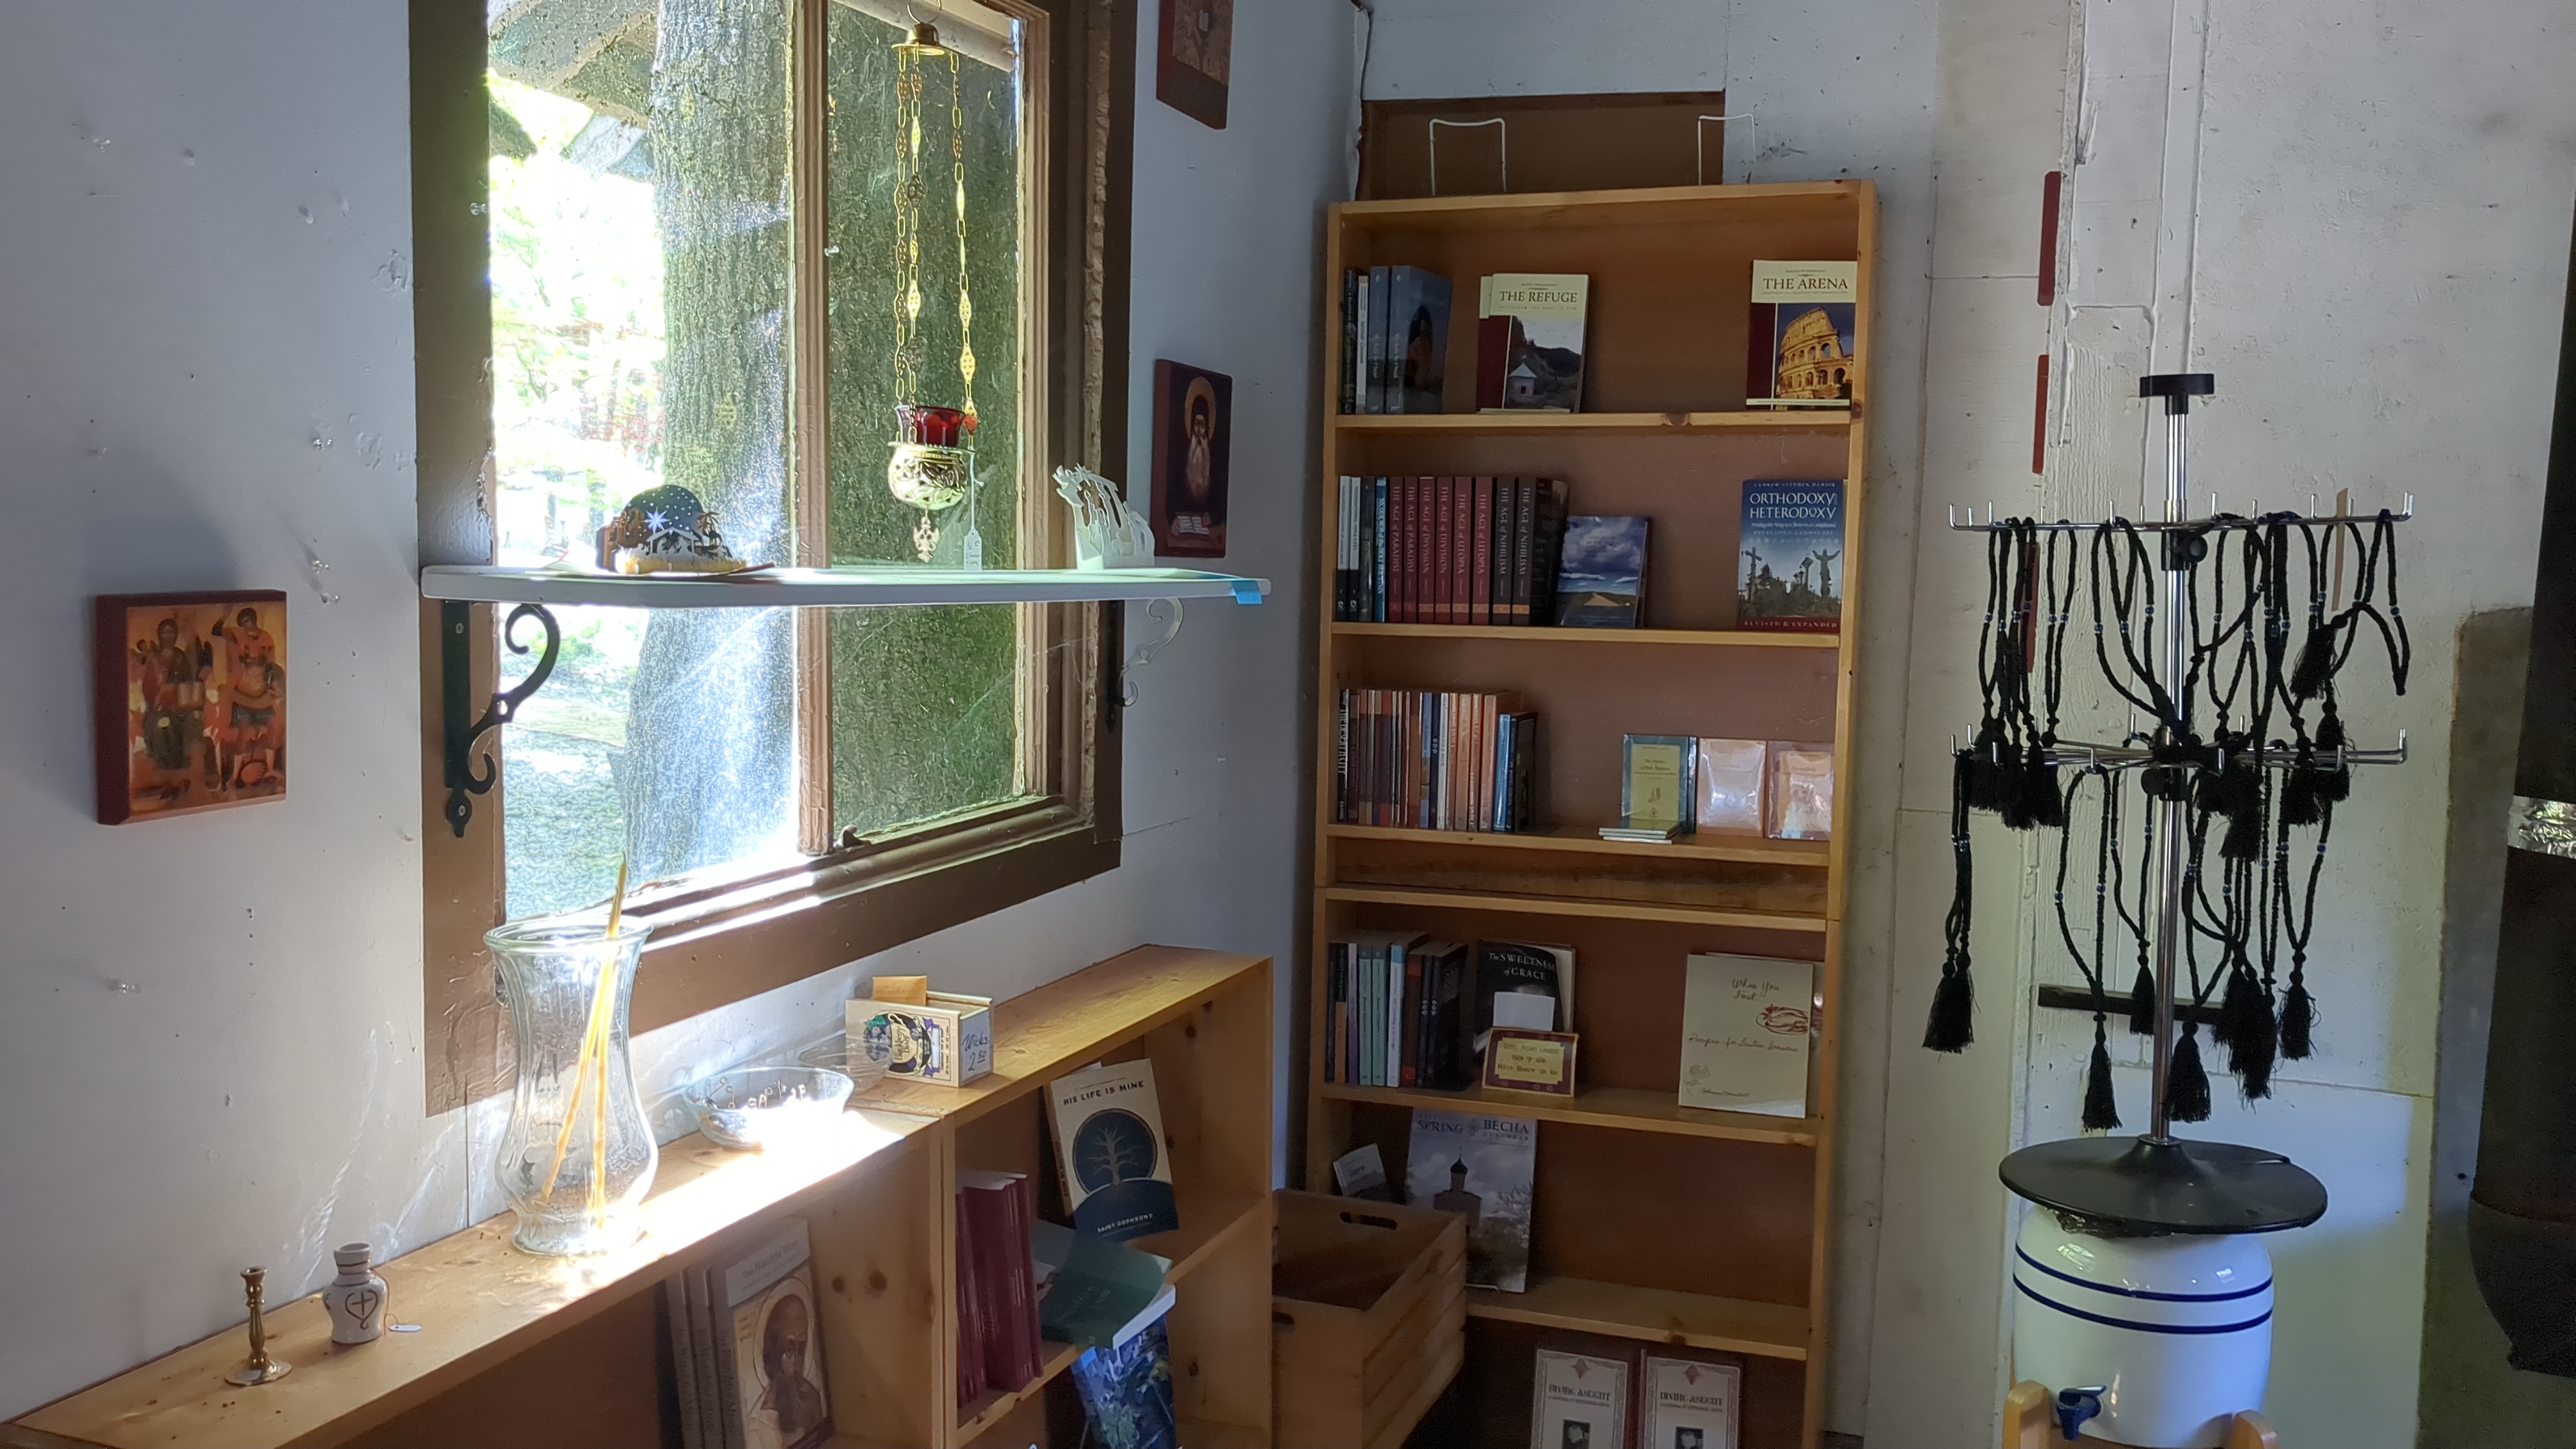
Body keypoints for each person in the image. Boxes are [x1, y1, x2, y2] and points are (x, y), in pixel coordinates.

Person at [752, 1289, 827, 1448]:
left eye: (801, 1350)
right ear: (772, 1354)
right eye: (789, 1350)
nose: (798, 1366)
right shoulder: (757, 1429)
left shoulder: (810, 1400)